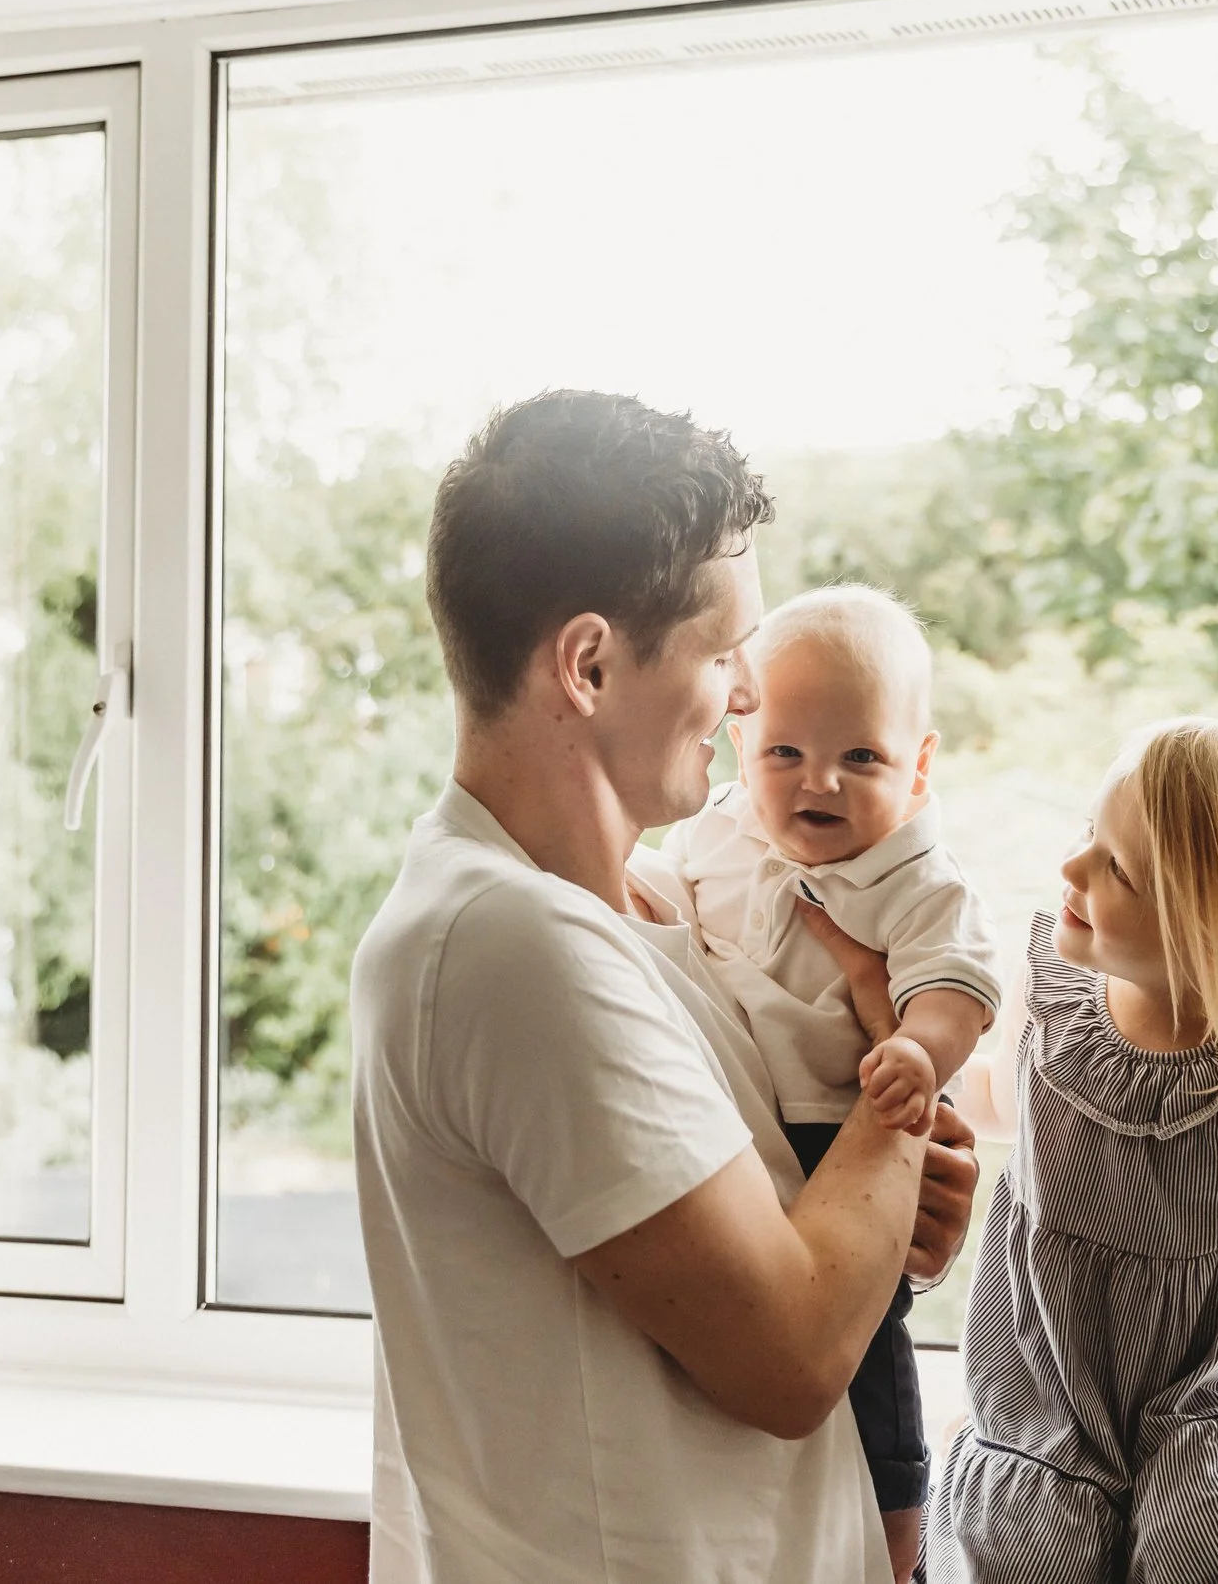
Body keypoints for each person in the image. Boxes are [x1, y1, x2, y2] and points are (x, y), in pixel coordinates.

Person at [350, 389, 981, 1584]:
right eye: (719, 648)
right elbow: (791, 1356)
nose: (748, 695)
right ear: (588, 663)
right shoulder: (510, 944)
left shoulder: (658, 909)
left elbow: (799, 1255)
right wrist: (894, 1091)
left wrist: (879, 1208)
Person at [923, 718, 1218, 1583]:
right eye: (1087, 834)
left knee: (1204, 1537)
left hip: (1207, 1391)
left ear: (1211, 924)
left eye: (1116, 869)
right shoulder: (1055, 991)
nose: (1072, 869)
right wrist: (922, 1095)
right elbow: (1007, 1099)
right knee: (1027, 1539)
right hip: (1048, 1378)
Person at [649, 584, 1003, 1580]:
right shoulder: (716, 830)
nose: (822, 784)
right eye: (785, 755)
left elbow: (955, 984)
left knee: (867, 1349)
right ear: (737, 743)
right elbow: (664, 896)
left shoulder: (918, 877)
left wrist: (915, 1050)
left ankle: (897, 1532)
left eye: (862, 757)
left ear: (920, 764)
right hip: (736, 1132)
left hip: (835, 1130)